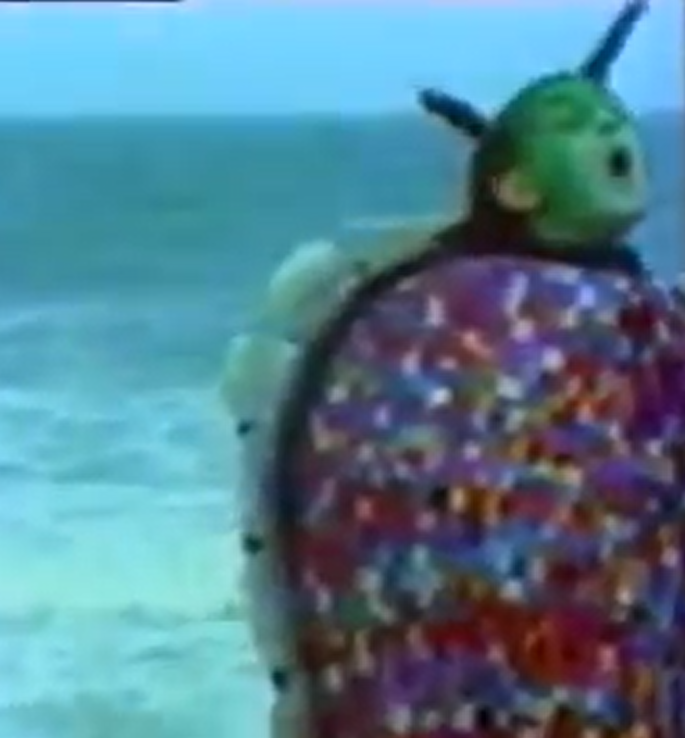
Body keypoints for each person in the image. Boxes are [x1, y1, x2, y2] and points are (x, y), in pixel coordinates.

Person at [221, 1, 684, 734]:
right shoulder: (434, 315)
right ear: (514, 186)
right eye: (573, 122)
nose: (608, 129)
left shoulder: (413, 305)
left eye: (611, 118)